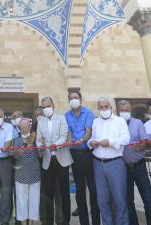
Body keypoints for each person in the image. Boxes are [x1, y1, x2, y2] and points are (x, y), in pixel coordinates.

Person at [88, 97, 130, 225]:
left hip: (115, 163)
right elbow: (91, 139)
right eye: (101, 107)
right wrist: (91, 143)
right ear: (98, 109)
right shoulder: (95, 122)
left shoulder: (120, 121)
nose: (104, 109)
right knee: (102, 200)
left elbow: (126, 139)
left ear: (111, 107)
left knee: (120, 199)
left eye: (106, 106)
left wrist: (110, 142)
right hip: (98, 164)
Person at [65, 91, 100, 225]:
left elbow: (89, 131)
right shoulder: (67, 115)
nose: (73, 100)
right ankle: (84, 221)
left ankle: (96, 221)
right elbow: (68, 132)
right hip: (74, 155)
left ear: (81, 99)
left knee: (93, 189)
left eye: (75, 98)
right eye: (71, 98)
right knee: (79, 191)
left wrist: (81, 140)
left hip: (87, 155)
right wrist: (69, 141)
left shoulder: (88, 113)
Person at [36, 97, 73, 225]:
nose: (46, 108)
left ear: (53, 105)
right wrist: (39, 145)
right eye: (44, 106)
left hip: (62, 159)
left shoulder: (62, 118)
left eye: (48, 105)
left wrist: (55, 145)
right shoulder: (40, 121)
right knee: (49, 193)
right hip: (47, 160)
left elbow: (64, 136)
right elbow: (39, 139)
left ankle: (64, 221)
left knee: (64, 193)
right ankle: (49, 222)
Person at [118, 100, 151, 225]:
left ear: (130, 110)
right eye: (122, 110)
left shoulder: (138, 123)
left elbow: (145, 142)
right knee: (128, 201)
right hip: (123, 168)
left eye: (127, 110)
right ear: (118, 111)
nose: (125, 112)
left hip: (139, 166)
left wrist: (139, 146)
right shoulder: (115, 125)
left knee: (148, 199)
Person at [12, 118, 40, 225]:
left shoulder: (36, 139)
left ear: (29, 127)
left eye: (26, 127)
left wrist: (39, 147)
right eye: (22, 127)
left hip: (34, 174)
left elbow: (41, 154)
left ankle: (32, 222)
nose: (24, 129)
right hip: (21, 175)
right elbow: (14, 156)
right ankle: (23, 223)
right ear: (19, 128)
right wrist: (18, 152)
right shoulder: (16, 140)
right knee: (21, 201)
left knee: (34, 200)